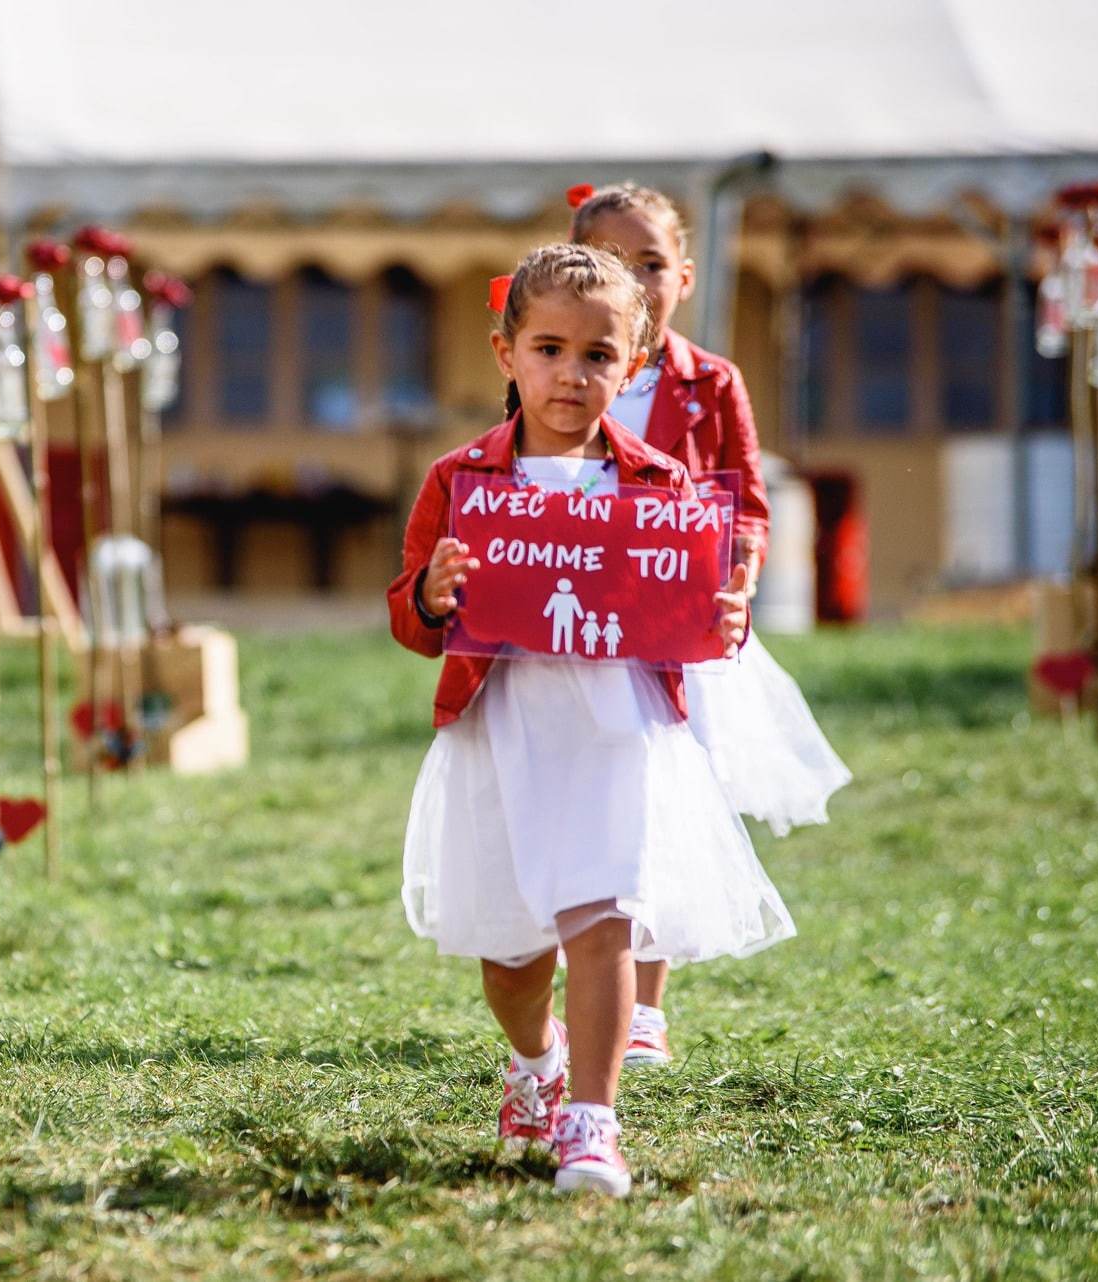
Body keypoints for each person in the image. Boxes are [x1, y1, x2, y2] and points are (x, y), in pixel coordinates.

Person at [389, 244, 794, 1196]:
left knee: (604, 916)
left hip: (616, 729)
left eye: (600, 355)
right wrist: (436, 597)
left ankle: (594, 1122)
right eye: (549, 348)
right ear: (506, 354)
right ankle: (536, 1062)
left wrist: (720, 618)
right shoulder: (460, 481)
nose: (573, 374)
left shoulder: (659, 485)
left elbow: (691, 618)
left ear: (636, 361)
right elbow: (410, 619)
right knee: (512, 956)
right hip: (505, 727)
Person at [571, 183, 850, 1066]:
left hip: (679, 623)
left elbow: (748, 503)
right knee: (595, 795)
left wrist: (738, 580)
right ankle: (588, 970)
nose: (634, 278)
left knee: (670, 796)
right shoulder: (561, 371)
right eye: (612, 261)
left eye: (650, 262)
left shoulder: (710, 383)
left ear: (684, 277)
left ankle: (646, 999)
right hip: (582, 625)